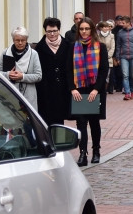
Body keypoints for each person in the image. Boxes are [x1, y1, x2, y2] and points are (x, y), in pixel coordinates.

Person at [68, 17, 108, 166]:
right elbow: (68, 70)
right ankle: (82, 154)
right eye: (82, 29)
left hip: (95, 90)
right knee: (81, 123)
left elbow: (104, 71)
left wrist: (96, 89)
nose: (84, 32)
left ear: (92, 30)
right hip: (79, 90)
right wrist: (72, 88)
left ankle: (96, 151)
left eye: (87, 29)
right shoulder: (73, 47)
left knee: (94, 122)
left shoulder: (100, 47)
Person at [34, 17, 72, 126]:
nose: (52, 34)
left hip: (63, 89)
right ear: (45, 31)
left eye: (54, 31)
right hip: (46, 90)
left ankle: (58, 142)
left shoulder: (68, 45)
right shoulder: (39, 48)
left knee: (60, 119)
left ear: (59, 30)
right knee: (46, 118)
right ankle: (48, 141)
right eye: (49, 31)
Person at [0, 26, 42, 107]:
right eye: (17, 40)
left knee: (28, 119)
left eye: (23, 40)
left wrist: (22, 76)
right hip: (9, 94)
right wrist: (8, 74)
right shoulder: (6, 52)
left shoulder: (33, 54)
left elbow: (39, 76)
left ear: (26, 40)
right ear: (13, 40)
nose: (20, 43)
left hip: (28, 96)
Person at [115, 15, 133, 100]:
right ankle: (127, 93)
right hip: (123, 56)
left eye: (123, 23)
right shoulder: (120, 32)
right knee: (125, 75)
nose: (121, 24)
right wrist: (118, 57)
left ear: (128, 23)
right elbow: (118, 45)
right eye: (121, 22)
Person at [97, 21, 116, 94]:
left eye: (107, 27)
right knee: (100, 75)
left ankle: (104, 90)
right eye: (104, 27)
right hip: (99, 58)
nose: (106, 28)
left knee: (107, 76)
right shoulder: (97, 36)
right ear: (100, 28)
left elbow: (113, 47)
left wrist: (107, 56)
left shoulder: (112, 36)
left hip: (108, 58)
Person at [110, 15, 125, 92]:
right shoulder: (113, 31)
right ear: (115, 21)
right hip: (115, 53)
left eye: (121, 20)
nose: (119, 21)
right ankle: (117, 86)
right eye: (118, 20)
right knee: (116, 71)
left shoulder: (125, 30)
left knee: (124, 71)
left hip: (125, 53)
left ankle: (123, 86)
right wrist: (114, 55)